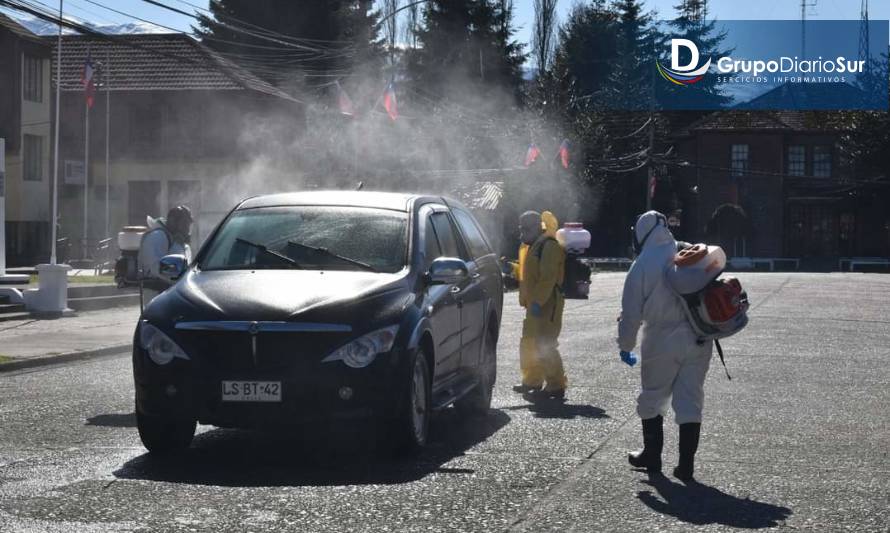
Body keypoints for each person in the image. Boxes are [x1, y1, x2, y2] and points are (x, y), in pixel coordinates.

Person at [618, 210, 712, 482]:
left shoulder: (643, 263)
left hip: (661, 339)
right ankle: (686, 466)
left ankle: (652, 456)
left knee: (652, 397)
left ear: (641, 232)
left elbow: (631, 313)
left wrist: (625, 345)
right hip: (699, 336)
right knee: (690, 400)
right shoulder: (686, 251)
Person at [511, 210, 568, 399]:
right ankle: (532, 380)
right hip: (534, 305)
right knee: (529, 343)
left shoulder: (549, 245)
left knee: (546, 343)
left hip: (547, 304)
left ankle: (556, 384)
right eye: (520, 228)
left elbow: (547, 278)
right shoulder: (533, 246)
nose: (522, 232)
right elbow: (530, 273)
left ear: (537, 227)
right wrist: (512, 269)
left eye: (525, 228)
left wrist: (537, 301)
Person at [138, 205, 193, 303]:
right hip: (157, 295)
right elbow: (156, 267)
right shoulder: (158, 237)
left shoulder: (177, 241)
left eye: (188, 224)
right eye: (184, 224)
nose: (187, 229)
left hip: (173, 293)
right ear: (173, 222)